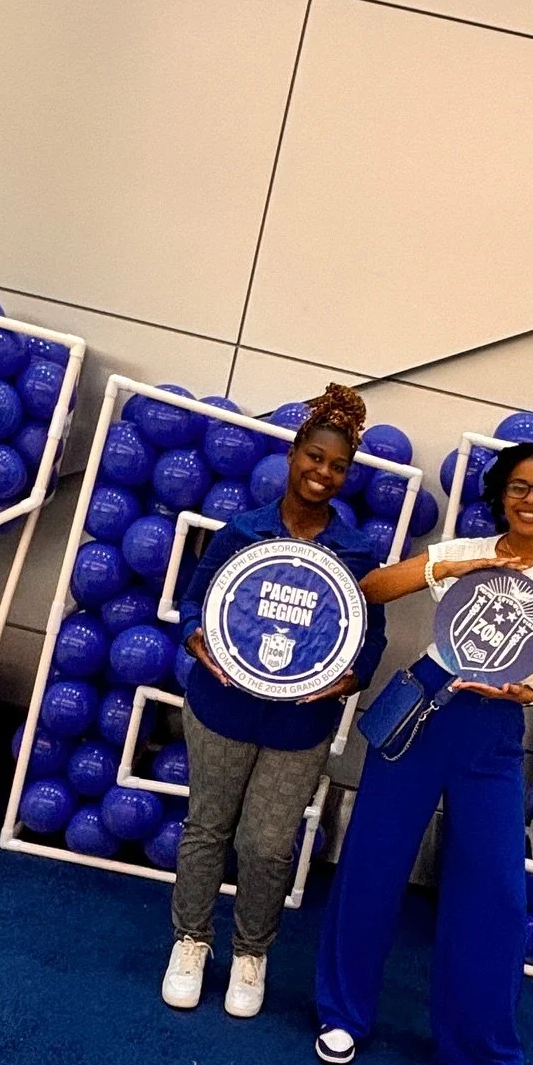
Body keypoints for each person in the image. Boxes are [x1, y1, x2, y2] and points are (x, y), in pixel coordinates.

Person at [313, 442, 533, 1065]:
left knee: (496, 894)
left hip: (496, 737)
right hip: (422, 712)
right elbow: (372, 588)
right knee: (371, 867)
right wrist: (458, 562)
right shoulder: (466, 548)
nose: (530, 500)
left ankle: (485, 1051)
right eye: (519, 488)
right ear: (501, 492)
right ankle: (342, 1014)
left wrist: (529, 698)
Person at [163, 385, 386, 1019]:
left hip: (302, 720)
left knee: (266, 846)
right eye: (314, 457)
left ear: (346, 476)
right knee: (207, 828)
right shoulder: (242, 532)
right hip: (221, 706)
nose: (323, 472)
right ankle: (190, 941)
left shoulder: (356, 552)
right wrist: (196, 640)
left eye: (337, 466)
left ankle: (251, 953)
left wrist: (350, 679)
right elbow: (194, 602)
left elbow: (369, 640)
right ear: (293, 455)